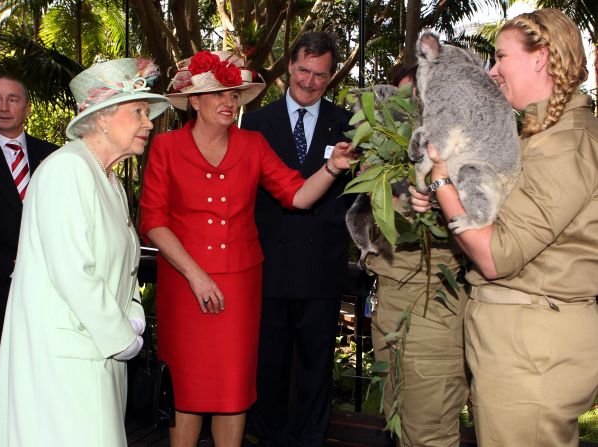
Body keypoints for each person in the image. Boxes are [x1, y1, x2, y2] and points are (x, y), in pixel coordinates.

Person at [139, 49, 354, 447]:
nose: (229, 102)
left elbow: (299, 197)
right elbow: (153, 221)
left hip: (239, 286)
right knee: (186, 389)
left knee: (233, 390)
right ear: (195, 101)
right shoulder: (166, 147)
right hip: (185, 287)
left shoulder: (252, 144)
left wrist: (332, 168)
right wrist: (196, 275)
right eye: (220, 94)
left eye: (234, 94)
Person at [410, 9, 598, 447]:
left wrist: (439, 179)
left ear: (541, 58)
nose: (492, 71)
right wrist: (443, 197)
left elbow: (496, 255)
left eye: (500, 57)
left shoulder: (566, 142)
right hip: (521, 339)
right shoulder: (538, 134)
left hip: (534, 348)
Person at [0, 58, 170, 446]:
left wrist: (132, 319)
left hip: (98, 352)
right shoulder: (67, 170)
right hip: (65, 360)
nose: (148, 122)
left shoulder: (107, 177)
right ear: (103, 118)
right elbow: (74, 272)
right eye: (138, 111)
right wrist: (122, 336)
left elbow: (125, 267)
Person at [240, 31, 353, 447]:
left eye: (320, 75)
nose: (309, 81)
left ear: (331, 76)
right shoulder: (253, 124)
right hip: (267, 268)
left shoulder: (347, 126)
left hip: (321, 269)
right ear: (289, 66)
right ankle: (267, 438)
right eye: (303, 70)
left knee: (315, 366)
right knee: (267, 365)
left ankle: (310, 440)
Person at [365, 65, 469, 447]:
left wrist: (437, 190)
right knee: (397, 420)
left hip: (433, 303)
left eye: (422, 99)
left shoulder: (463, 154)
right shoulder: (384, 152)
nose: (412, 109)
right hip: (389, 297)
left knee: (429, 431)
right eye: (403, 101)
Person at [0, 76, 57, 372]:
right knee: (10, 368)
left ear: (27, 108)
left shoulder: (55, 156)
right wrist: (12, 265)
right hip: (2, 282)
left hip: (54, 280)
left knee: (51, 366)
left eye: (13, 99)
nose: (4, 107)